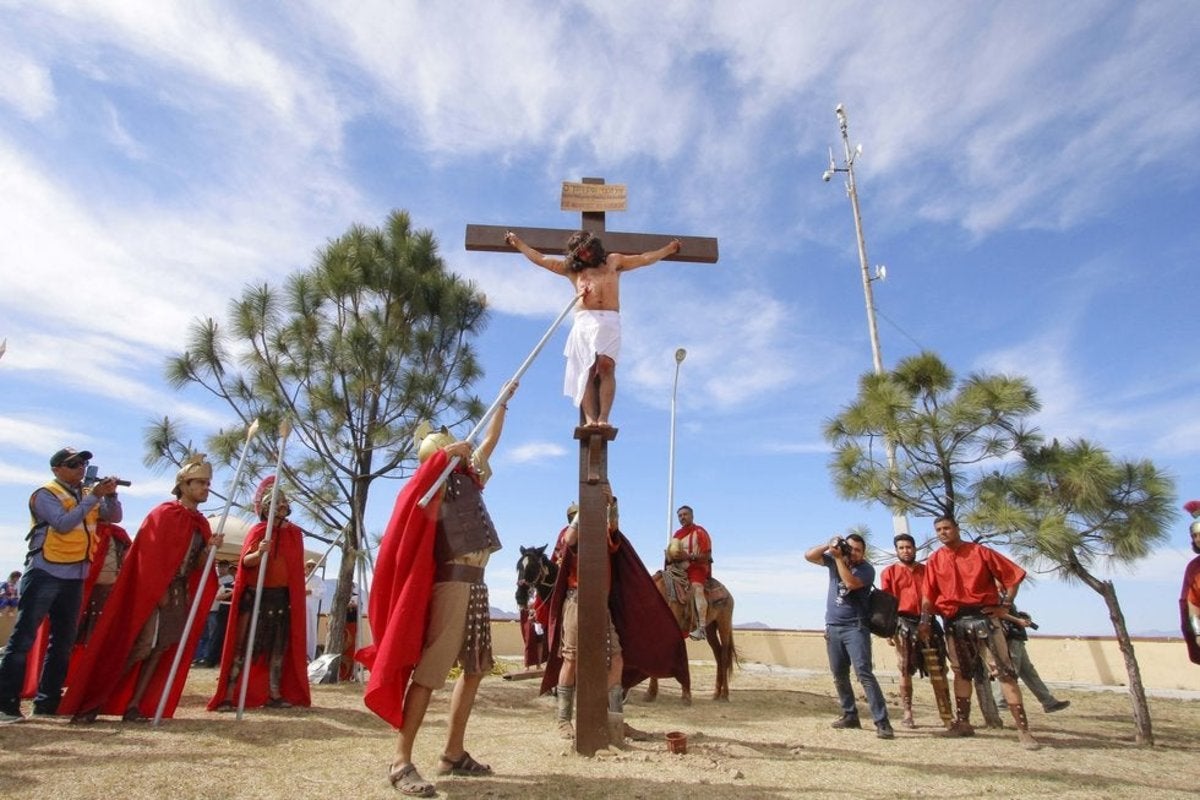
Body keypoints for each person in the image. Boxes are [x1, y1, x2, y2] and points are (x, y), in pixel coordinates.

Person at [358, 383, 515, 798]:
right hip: (452, 585)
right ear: (438, 457)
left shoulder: (468, 480)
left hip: (478, 587)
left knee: (476, 668)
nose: (464, 452)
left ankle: (452, 752)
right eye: (452, 450)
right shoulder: (430, 488)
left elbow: (491, 440)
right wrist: (445, 458)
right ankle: (400, 760)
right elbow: (417, 499)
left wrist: (501, 402)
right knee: (430, 674)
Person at [60, 453, 220, 723]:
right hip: (153, 593)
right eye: (200, 483)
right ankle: (92, 704)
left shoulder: (200, 523)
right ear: (184, 485)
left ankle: (134, 705)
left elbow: (197, 566)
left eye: (207, 483)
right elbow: (149, 559)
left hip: (179, 593)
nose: (206, 488)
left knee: (160, 648)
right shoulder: (164, 514)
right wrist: (157, 592)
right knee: (139, 646)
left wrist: (209, 548)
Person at [505, 230, 681, 427]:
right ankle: (589, 419)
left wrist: (668, 249)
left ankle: (603, 418)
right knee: (586, 369)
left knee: (607, 366)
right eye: (580, 253)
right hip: (585, 321)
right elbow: (542, 259)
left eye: (587, 250)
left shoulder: (613, 261)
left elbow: (644, 258)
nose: (585, 255)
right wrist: (518, 243)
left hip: (610, 321)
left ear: (594, 247)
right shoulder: (573, 270)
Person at [0, 446, 123, 723]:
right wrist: (93, 498)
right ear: (56, 469)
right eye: (73, 464)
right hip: (45, 571)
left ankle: (48, 702)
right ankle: (5, 703)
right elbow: (63, 524)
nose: (80, 468)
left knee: (63, 643)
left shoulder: (86, 496)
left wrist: (111, 495)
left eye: (82, 463)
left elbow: (113, 517)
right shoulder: (44, 494)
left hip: (76, 575)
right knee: (22, 639)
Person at [918, 515, 1040, 750]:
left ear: (957, 529)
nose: (942, 533)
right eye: (938, 530)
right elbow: (928, 594)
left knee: (1005, 672)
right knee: (961, 673)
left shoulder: (981, 552)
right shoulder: (935, 560)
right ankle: (963, 723)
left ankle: (1024, 731)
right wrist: (925, 619)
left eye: (946, 528)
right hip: (954, 621)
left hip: (985, 619)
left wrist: (1004, 606)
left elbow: (1012, 577)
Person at [208, 478, 311, 711]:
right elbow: (245, 562)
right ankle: (230, 695)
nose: (282, 506)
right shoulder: (258, 531)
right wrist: (259, 553)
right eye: (277, 503)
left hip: (281, 599)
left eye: (284, 503)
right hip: (255, 597)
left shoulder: (294, 534)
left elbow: (293, 569)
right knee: (244, 646)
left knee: (278, 649)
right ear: (266, 507)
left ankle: (274, 694)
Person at [804, 533, 895, 739]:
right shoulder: (836, 560)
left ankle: (882, 722)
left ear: (863, 553)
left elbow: (852, 583)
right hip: (833, 626)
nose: (853, 553)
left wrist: (838, 559)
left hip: (856, 627)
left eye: (858, 550)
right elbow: (809, 556)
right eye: (850, 548)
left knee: (864, 674)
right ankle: (850, 714)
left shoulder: (866, 569)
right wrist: (829, 545)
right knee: (839, 675)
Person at [880, 533, 952, 728]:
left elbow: (938, 596)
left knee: (938, 668)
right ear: (896, 551)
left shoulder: (927, 570)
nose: (905, 551)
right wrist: (889, 631)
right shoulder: (889, 572)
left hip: (928, 621)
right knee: (904, 668)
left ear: (915, 548)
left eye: (908, 547)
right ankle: (908, 713)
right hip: (903, 623)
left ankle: (946, 713)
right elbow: (887, 602)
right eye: (901, 548)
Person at [992, 607, 1070, 713]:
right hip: (1008, 637)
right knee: (1008, 672)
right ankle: (999, 704)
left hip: (1015, 637)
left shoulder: (1004, 594)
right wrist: (1017, 620)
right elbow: (997, 612)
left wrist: (1020, 618)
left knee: (1028, 672)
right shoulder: (999, 593)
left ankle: (1049, 702)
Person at [669, 505, 713, 640]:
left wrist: (688, 557)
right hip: (678, 569)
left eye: (685, 514)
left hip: (697, 568)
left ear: (692, 516)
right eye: (680, 516)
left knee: (696, 589)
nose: (682, 517)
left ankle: (701, 628)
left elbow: (707, 556)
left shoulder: (700, 532)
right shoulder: (677, 535)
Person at [194, 560, 233, 667]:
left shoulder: (228, 580)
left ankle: (207, 656)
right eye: (220, 566)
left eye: (224, 567)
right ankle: (200, 656)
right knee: (204, 634)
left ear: (227, 568)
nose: (221, 569)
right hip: (208, 608)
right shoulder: (216, 577)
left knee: (213, 634)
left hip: (216, 609)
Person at [1179, 500, 1200, 665]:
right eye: (1195, 535)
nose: (1198, 538)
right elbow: (1192, 603)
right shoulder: (1194, 568)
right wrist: (1198, 633)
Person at [305, 558, 322, 661]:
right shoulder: (300, 577)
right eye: (309, 566)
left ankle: (309, 656)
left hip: (311, 610)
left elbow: (323, 591)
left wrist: (311, 591)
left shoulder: (318, 580)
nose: (311, 568)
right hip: (300, 609)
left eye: (313, 566)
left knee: (310, 631)